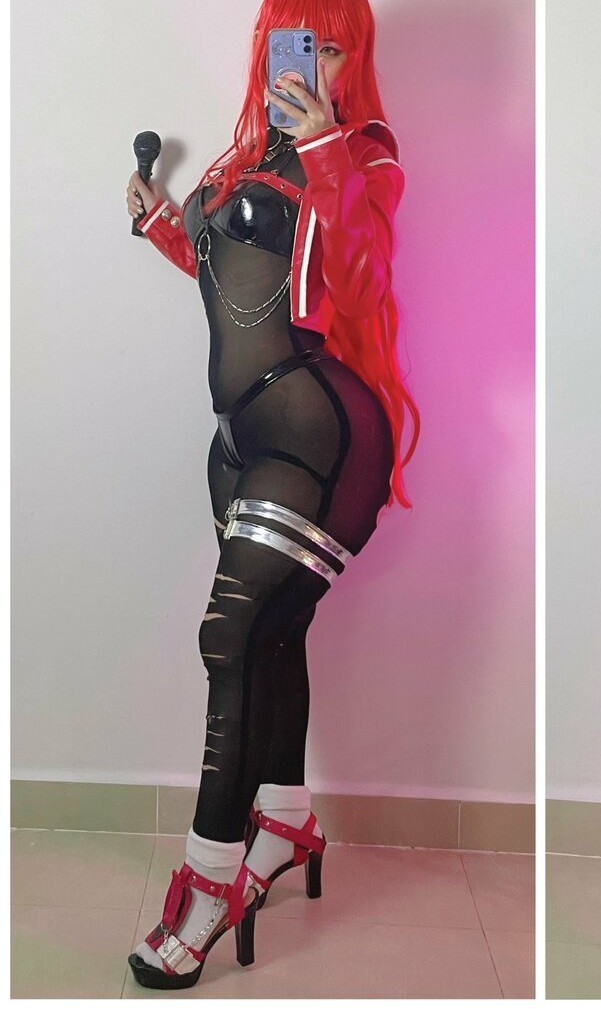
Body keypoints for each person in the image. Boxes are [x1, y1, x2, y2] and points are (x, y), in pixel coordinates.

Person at [123, 0, 418, 989]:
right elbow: (234, 277)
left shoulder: (365, 151)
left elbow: (364, 279)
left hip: (317, 432)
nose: (314, 63)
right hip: (239, 441)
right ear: (268, 49)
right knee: (270, 635)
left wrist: (325, 144)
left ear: (352, 59)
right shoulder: (245, 158)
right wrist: (163, 222)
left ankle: (210, 883)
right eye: (298, 43)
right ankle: (286, 819)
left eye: (332, 47)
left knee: (229, 637)